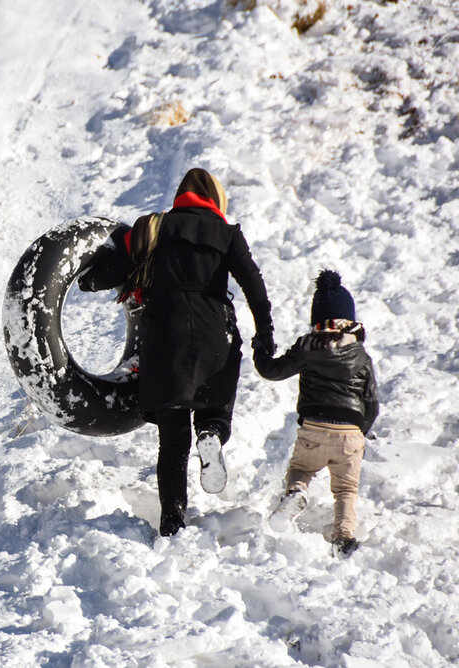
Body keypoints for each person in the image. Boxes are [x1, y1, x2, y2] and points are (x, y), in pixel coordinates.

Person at [78, 168, 274, 536]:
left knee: (172, 442)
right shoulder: (228, 234)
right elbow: (255, 286)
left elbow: (97, 279)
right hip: (215, 332)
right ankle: (212, 433)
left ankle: (172, 523)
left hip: (165, 338)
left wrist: (105, 257)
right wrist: (266, 336)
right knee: (215, 410)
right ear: (216, 199)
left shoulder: (152, 228)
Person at [253, 269, 378, 556]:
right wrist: (361, 433)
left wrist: (261, 347)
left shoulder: (307, 347)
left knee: (301, 469)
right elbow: (371, 402)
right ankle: (343, 536)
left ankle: (298, 492)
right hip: (350, 434)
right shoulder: (361, 355)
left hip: (314, 428)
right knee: (346, 490)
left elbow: (270, 371)